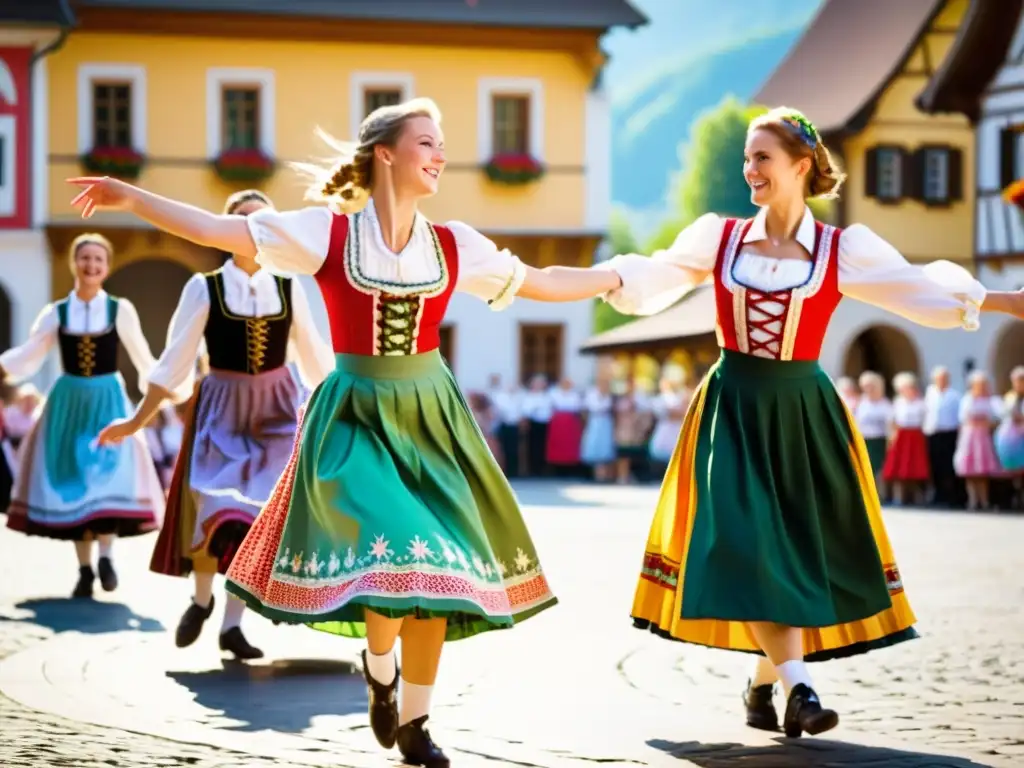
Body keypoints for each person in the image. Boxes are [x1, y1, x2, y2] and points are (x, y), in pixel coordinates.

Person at [69, 96, 620, 768]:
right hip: (357, 413)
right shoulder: (326, 234)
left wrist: (619, 278)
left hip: (431, 420)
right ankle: (380, 663)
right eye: (427, 142)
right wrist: (131, 197)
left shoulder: (455, 245)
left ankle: (414, 719)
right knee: (391, 559)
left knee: (434, 572)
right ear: (385, 153)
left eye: (441, 142)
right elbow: (223, 232)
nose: (441, 154)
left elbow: (540, 280)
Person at [595, 107, 1024, 738]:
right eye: (745, 158)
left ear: (801, 166)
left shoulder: (839, 249)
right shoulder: (720, 238)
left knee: (788, 551)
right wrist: (584, 279)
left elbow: (913, 288)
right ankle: (801, 690)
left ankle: (762, 683)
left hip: (802, 413)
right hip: (734, 407)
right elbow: (654, 273)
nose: (749, 170)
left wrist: (1008, 300)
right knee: (749, 541)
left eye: (762, 157)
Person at [98, 190, 335, 660]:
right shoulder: (203, 287)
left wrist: (346, 416)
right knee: (213, 504)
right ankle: (201, 599)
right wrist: (137, 421)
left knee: (260, 518)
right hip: (221, 409)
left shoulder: (289, 285)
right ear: (225, 231)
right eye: (242, 222)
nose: (252, 231)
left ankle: (231, 624)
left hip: (278, 412)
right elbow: (173, 364)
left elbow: (316, 362)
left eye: (261, 222)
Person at [0, 234, 163, 598]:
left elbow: (142, 355)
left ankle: (105, 556)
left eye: (98, 259)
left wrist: (164, 389)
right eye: (85, 258)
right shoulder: (56, 312)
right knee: (73, 480)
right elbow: (30, 354)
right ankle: (86, 569)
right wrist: (2, 368)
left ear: (106, 267)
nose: (91, 265)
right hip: (68, 400)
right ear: (75, 263)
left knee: (107, 473)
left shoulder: (119, 309)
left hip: (107, 398)